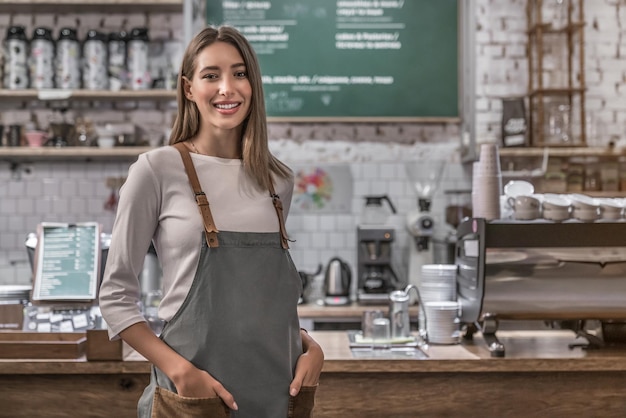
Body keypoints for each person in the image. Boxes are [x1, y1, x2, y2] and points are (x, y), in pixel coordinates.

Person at [98, 25, 324, 418]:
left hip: (277, 396)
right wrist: (181, 373)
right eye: (211, 75)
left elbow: (262, 304)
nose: (227, 88)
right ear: (188, 88)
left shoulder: (278, 181)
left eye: (239, 74)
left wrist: (310, 347)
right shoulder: (156, 169)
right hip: (192, 400)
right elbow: (116, 297)